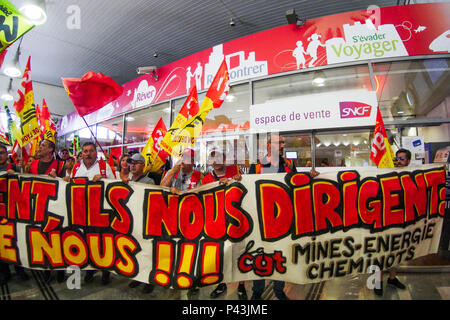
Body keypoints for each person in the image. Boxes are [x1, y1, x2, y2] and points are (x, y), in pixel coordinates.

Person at [249, 134, 319, 300]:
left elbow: (295, 184)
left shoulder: (288, 164)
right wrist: (238, 180)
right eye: (278, 143)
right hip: (261, 221)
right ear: (268, 145)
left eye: (282, 143)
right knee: (259, 255)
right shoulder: (257, 166)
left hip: (283, 219)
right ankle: (257, 292)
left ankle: (279, 291)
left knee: (280, 254)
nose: (281, 146)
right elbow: (249, 190)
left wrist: (309, 177)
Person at [65, 141, 115, 285]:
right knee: (86, 243)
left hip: (100, 213)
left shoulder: (104, 167)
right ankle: (90, 271)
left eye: (91, 151)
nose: (88, 154)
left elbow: (113, 186)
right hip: (81, 213)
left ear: (96, 153)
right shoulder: (76, 168)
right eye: (85, 151)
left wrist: (104, 179)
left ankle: (105, 272)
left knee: (101, 244)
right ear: (82, 154)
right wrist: (67, 180)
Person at [202, 150, 248, 300]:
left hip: (236, 221)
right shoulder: (206, 179)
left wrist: (240, 180)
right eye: (212, 159)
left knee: (239, 252)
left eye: (218, 158)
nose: (215, 162)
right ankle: (221, 283)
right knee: (220, 255)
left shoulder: (235, 171)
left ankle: (241, 285)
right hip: (217, 222)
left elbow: (246, 189)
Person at [160, 148, 202, 298]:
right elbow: (161, 187)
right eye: (182, 158)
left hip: (192, 221)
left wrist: (182, 194)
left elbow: (202, 194)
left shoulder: (199, 175)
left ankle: (193, 282)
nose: (184, 161)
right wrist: (173, 170)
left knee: (192, 252)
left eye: (188, 158)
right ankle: (175, 277)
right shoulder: (174, 173)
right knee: (174, 250)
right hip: (173, 220)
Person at [29, 139, 66, 283]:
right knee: (40, 240)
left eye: (43, 145)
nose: (40, 147)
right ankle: (45, 268)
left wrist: (57, 178)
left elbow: (66, 185)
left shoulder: (60, 165)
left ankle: (60, 270)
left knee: (58, 240)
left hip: (56, 210)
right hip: (38, 208)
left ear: (51, 149)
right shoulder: (32, 165)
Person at [373, 148, 409, 296]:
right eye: (397, 158)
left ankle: (392, 278)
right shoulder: (388, 173)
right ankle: (378, 281)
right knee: (380, 251)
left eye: (401, 159)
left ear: (408, 161)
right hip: (384, 218)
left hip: (402, 219)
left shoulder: (413, 174)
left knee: (396, 250)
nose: (398, 161)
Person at [123, 153, 156, 293]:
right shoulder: (126, 179)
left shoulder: (149, 182)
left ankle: (149, 279)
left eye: (136, 163)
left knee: (147, 251)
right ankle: (138, 276)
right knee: (135, 251)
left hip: (145, 222)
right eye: (131, 163)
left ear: (143, 165)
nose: (133, 165)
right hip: (131, 221)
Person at [0, 144, 30, 285]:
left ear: (7, 155)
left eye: (2, 153)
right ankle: (5, 272)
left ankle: (20, 270)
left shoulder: (15, 168)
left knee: (16, 242)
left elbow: (26, 185)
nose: (0, 156)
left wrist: (18, 175)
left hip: (13, 212)